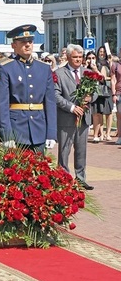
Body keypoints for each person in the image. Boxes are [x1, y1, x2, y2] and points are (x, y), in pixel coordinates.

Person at [0, 24, 57, 152]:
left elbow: (50, 102)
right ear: (14, 45)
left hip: (39, 128)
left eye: (30, 41)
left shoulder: (44, 68)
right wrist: (6, 135)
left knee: (40, 170)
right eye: (23, 42)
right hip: (17, 130)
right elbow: (2, 104)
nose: (27, 45)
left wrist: (51, 132)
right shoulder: (6, 68)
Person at [54, 44, 95, 190]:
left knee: (81, 150)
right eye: (75, 57)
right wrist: (71, 107)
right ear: (68, 57)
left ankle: (81, 178)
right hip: (66, 118)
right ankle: (63, 178)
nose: (78, 60)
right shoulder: (59, 73)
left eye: (80, 57)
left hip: (83, 119)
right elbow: (55, 95)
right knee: (64, 150)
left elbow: (96, 91)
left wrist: (90, 97)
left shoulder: (87, 73)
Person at [85, 49, 113, 143]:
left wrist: (95, 70)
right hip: (86, 93)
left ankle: (96, 135)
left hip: (98, 92)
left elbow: (102, 79)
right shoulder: (83, 67)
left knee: (97, 113)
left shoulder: (99, 66)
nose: (91, 60)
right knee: (94, 114)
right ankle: (94, 134)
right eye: (89, 58)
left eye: (93, 58)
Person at [110, 48, 121, 145]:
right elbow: (113, 80)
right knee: (119, 115)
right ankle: (120, 136)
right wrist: (113, 94)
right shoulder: (115, 66)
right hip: (119, 93)